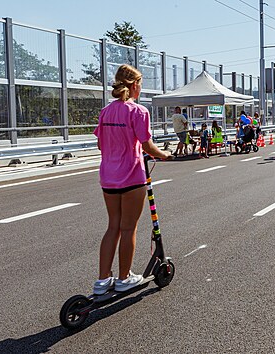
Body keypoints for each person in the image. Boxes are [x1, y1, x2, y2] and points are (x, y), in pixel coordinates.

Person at [92, 64, 171, 294]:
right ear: (135, 85)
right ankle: (124, 277)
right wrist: (163, 154)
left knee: (112, 227)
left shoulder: (106, 112)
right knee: (128, 228)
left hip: (108, 177)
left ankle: (102, 280)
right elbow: (146, 144)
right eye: (140, 84)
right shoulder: (138, 111)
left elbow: (100, 144)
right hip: (131, 176)